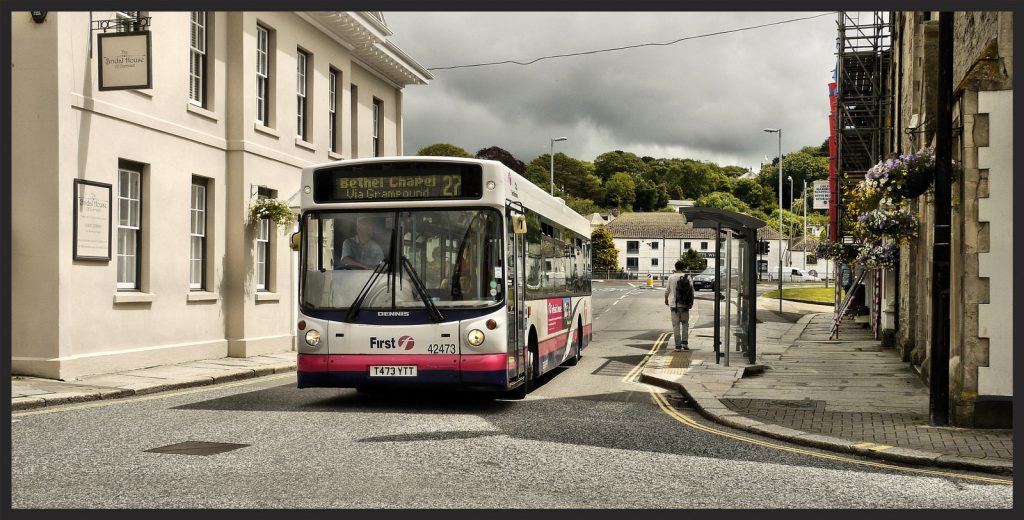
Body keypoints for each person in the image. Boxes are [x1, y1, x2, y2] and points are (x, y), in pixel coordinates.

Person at [664, 259, 695, 351]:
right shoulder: (687, 277)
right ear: (683, 268)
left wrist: (666, 299)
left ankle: (678, 346)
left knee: (676, 325)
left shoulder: (671, 277)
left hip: (674, 305)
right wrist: (691, 302)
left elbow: (667, 290)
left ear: (675, 268)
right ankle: (685, 343)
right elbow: (692, 291)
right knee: (685, 324)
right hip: (685, 305)